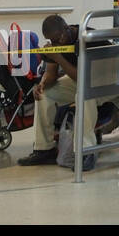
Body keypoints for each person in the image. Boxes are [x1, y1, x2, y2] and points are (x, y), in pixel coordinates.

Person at [16, 15, 98, 169]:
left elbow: (83, 77)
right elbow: (51, 74)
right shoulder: (55, 43)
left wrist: (59, 58)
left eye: (59, 38)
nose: (57, 42)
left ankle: (87, 151)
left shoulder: (86, 36)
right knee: (44, 94)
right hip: (81, 81)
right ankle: (44, 149)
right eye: (52, 40)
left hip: (102, 81)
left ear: (67, 28)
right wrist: (42, 84)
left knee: (83, 94)